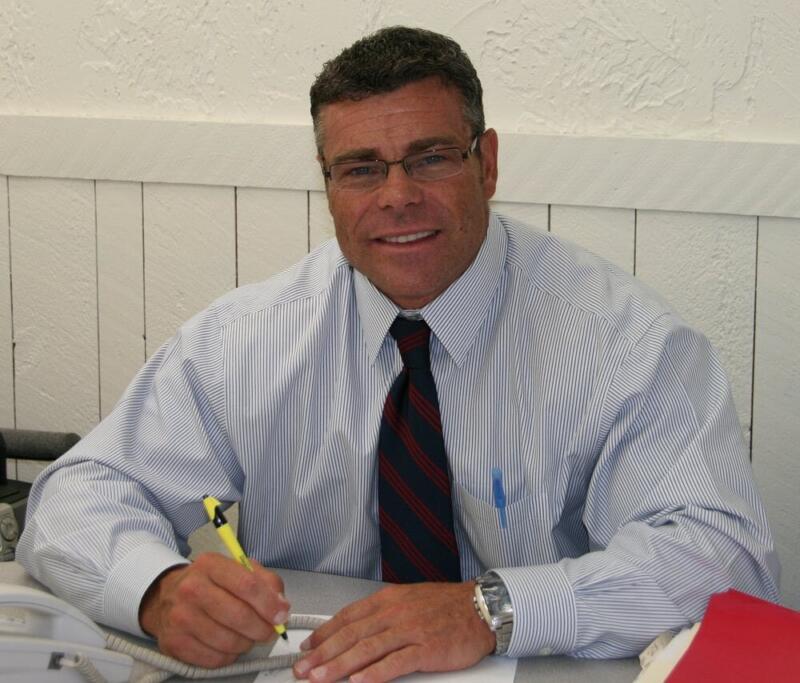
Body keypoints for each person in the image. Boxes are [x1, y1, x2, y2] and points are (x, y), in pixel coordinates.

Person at [19, 26, 778, 683]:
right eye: (361, 169)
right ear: (327, 186)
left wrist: (492, 609)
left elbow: (722, 557)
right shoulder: (246, 339)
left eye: (430, 158)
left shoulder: (627, 343)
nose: (396, 196)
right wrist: (156, 588)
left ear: (487, 163)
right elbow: (80, 491)